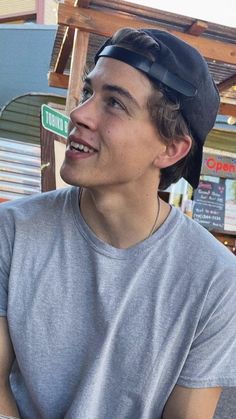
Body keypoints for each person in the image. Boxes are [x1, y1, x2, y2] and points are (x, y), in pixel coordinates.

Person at [0, 27, 236, 419]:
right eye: (90, 93)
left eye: (114, 104)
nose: (78, 113)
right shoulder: (12, 231)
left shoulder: (216, 281)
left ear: (171, 148)